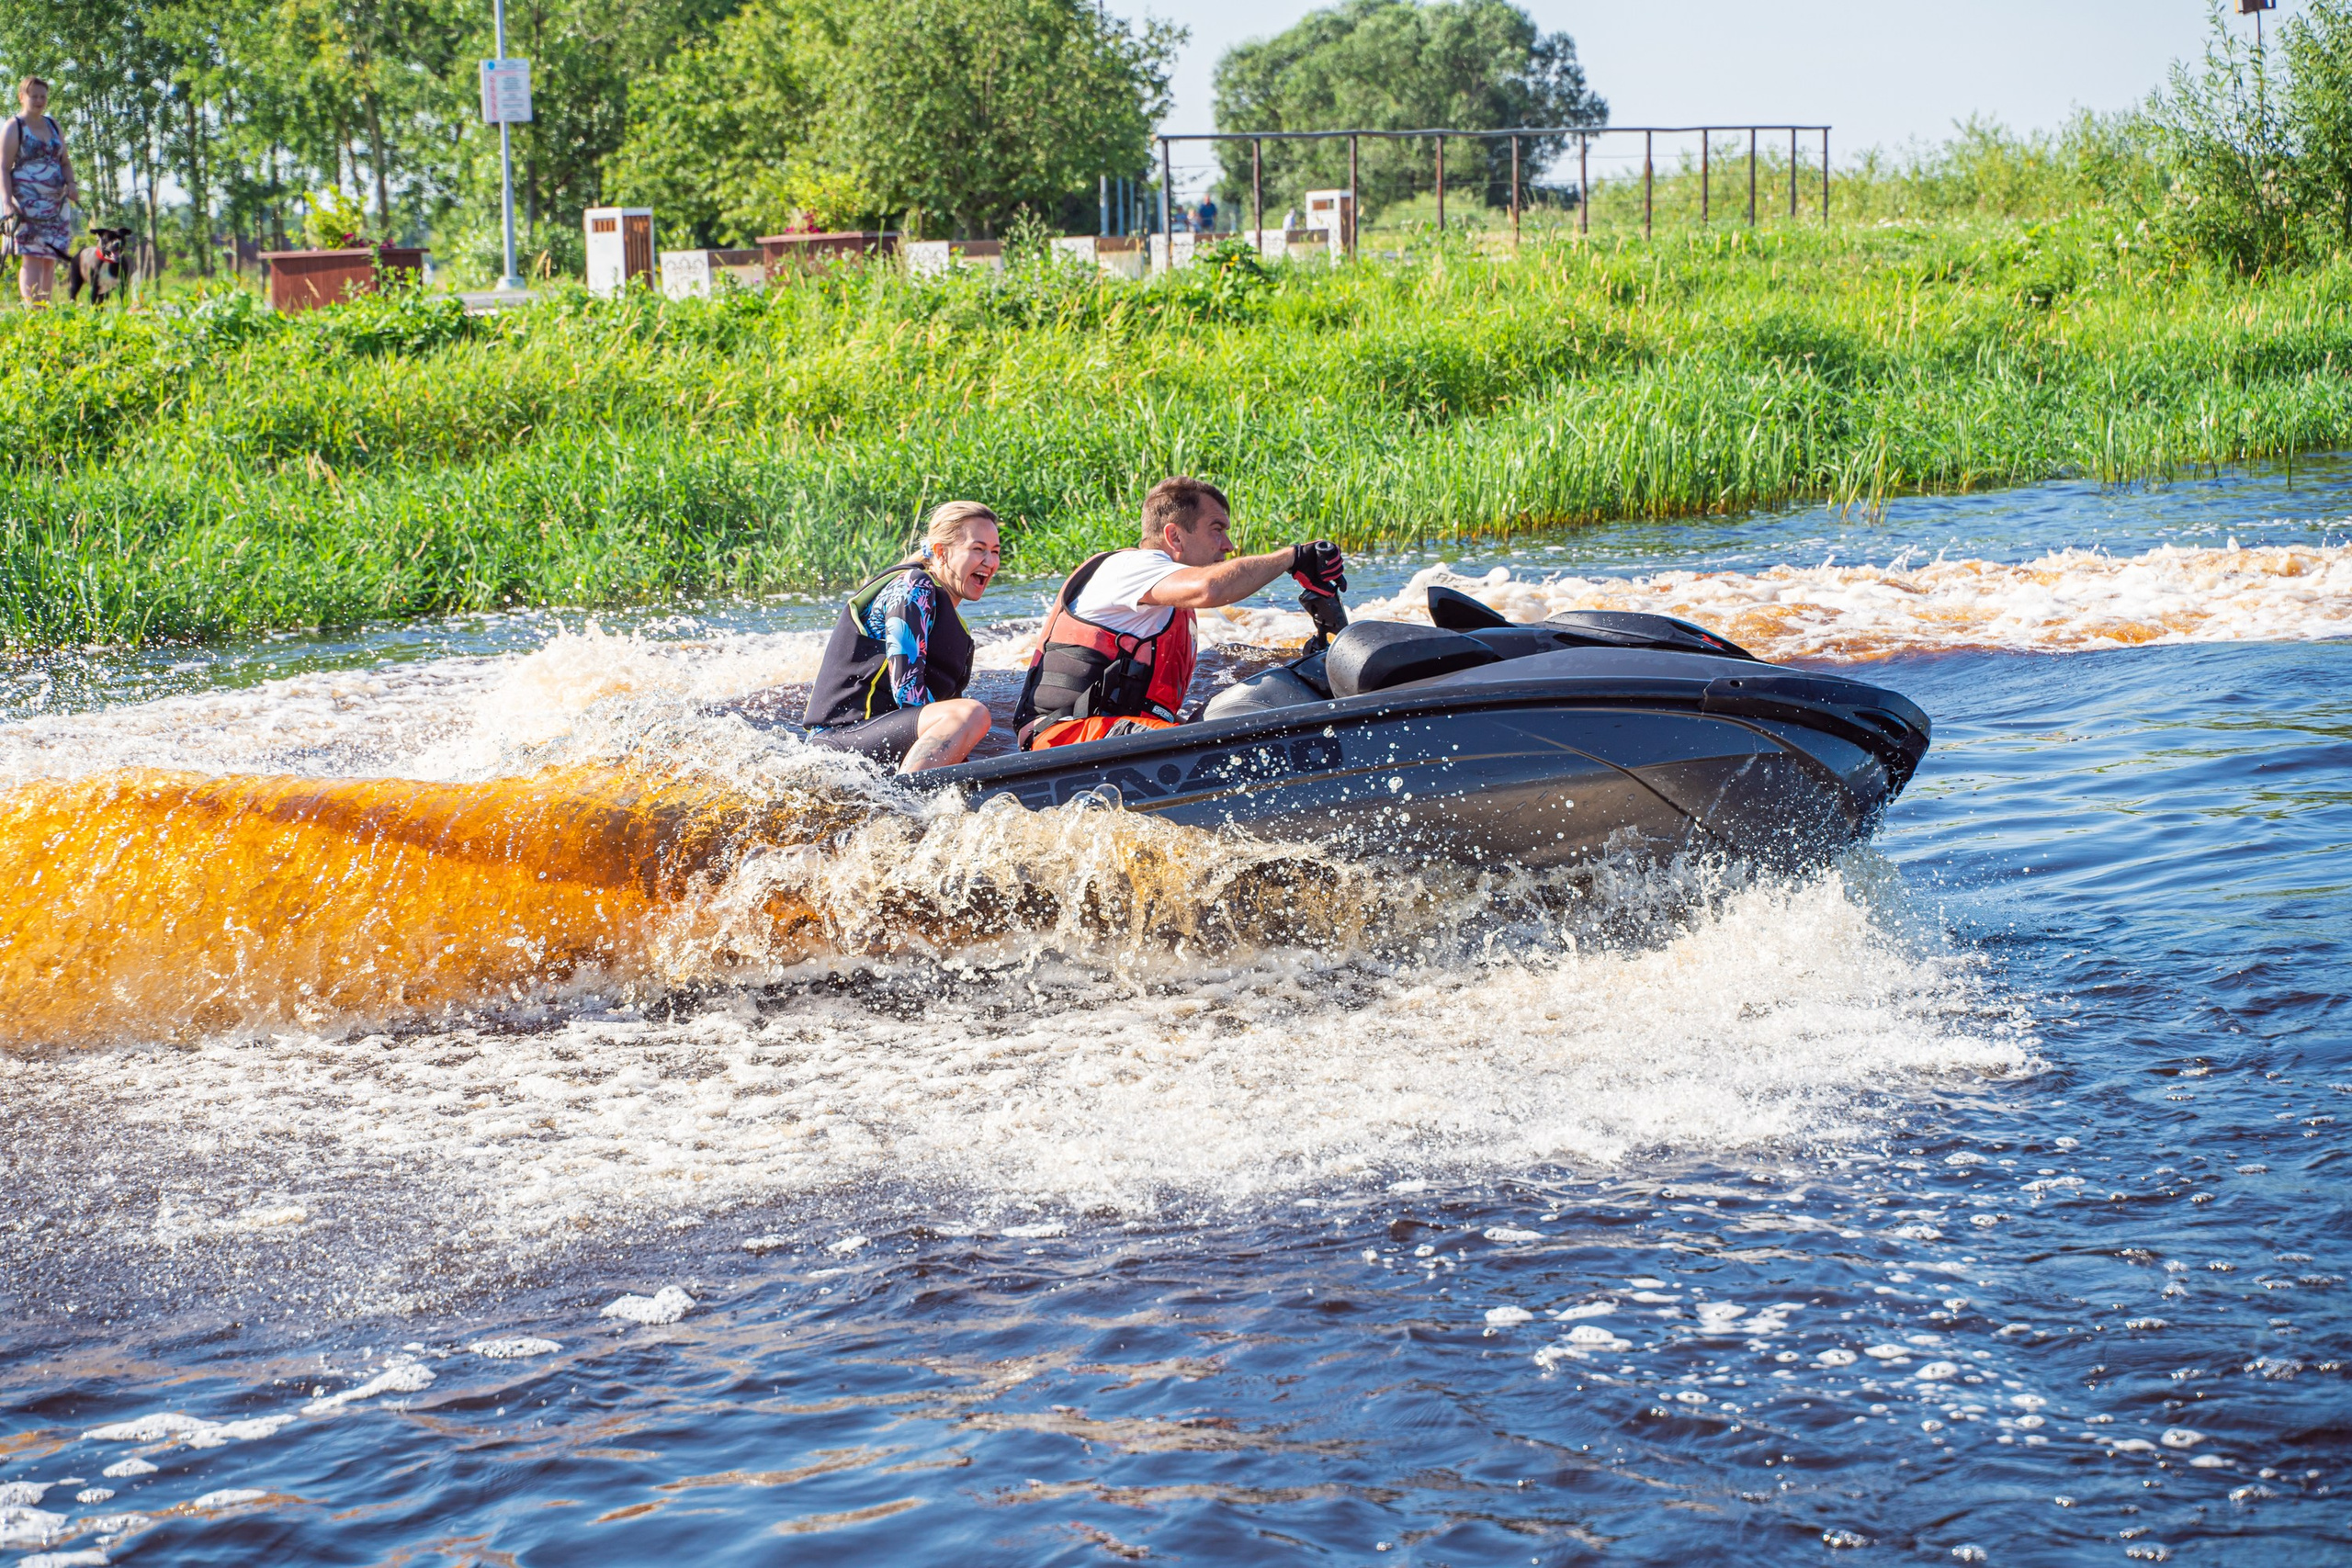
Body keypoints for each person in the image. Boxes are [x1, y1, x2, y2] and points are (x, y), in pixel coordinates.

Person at [1015, 476, 1345, 750]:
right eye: (1217, 529)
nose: (1228, 544)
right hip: (1066, 738)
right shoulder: (1129, 567)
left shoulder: (1162, 592)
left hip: (1117, 733)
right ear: (1174, 535)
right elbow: (1210, 589)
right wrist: (1292, 558)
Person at [803, 500, 1001, 772]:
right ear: (941, 553)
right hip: (839, 742)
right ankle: (907, 802)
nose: (990, 562)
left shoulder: (957, 626)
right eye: (978, 550)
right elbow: (908, 691)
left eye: (995, 552)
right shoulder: (912, 588)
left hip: (881, 742)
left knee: (967, 716)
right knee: (971, 714)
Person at [1, 78, 80, 306]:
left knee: (49, 258)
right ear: (21, 97)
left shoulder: (53, 125)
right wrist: (7, 203)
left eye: (42, 96)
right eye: (33, 96)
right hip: (27, 205)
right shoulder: (14, 126)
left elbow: (65, 161)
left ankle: (44, 311)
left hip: (56, 205)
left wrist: (72, 184)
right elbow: (3, 168)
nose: (39, 101)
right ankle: (33, 312)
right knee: (32, 257)